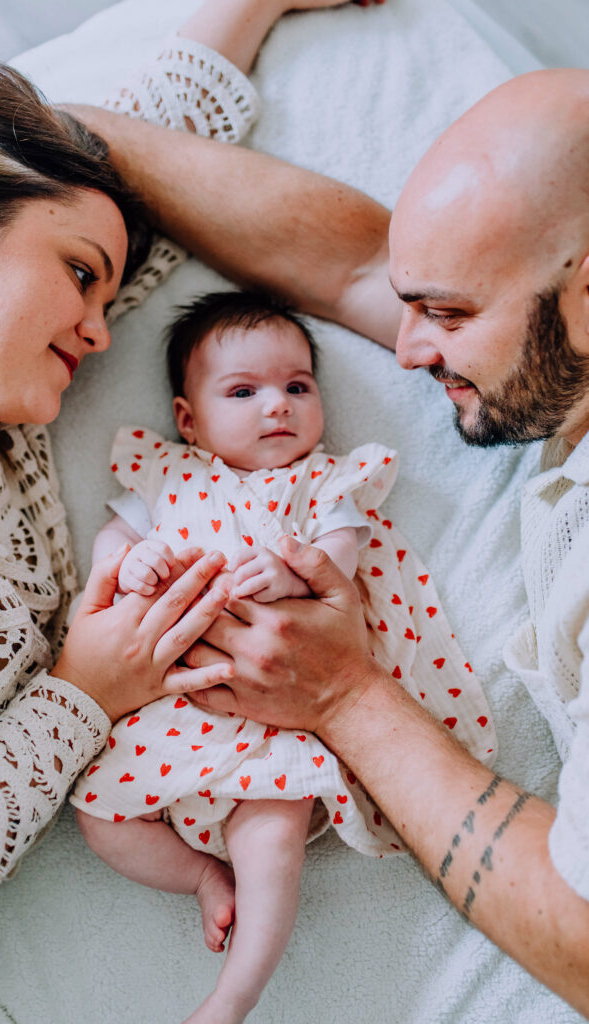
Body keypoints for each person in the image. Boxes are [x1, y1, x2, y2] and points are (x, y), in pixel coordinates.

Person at [70, 66, 589, 1014]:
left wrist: (347, 695)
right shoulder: (552, 354)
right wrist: (45, 119)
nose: (404, 349)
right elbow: (346, 265)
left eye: (449, 314)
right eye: (416, 304)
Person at [0, 2, 380, 1021]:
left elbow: (148, 150)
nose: (100, 330)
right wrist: (82, 694)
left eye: (104, 291)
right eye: (80, 277)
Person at [71, 288, 495, 1024]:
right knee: (99, 814)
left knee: (270, 845)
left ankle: (233, 994)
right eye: (244, 391)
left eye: (297, 387)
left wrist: (297, 570)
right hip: (178, 708)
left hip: (279, 724)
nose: (278, 406)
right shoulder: (166, 476)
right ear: (188, 418)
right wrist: (130, 564)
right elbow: (112, 547)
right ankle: (203, 878)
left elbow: (344, 551)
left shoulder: (325, 480)